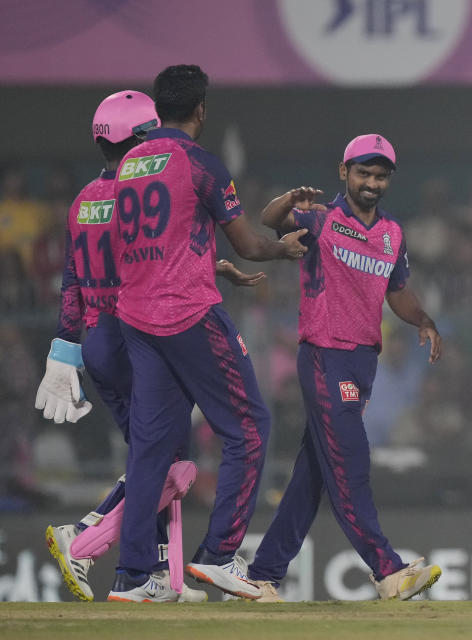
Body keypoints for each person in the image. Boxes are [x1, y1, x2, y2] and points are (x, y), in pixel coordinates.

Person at [37, 90, 266, 602]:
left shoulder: (83, 200)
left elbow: (74, 278)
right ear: (145, 133)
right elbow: (148, 266)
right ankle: (89, 538)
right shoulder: (141, 185)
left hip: (99, 341)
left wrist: (64, 347)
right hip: (140, 329)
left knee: (156, 457)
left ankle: (150, 572)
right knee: (168, 462)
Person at [105, 65, 308, 603]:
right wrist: (284, 248)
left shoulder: (128, 164)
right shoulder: (202, 165)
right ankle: (218, 556)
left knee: (150, 449)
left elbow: (153, 241)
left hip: (137, 318)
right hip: (188, 314)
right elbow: (247, 243)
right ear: (200, 110)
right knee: (250, 427)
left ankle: (136, 577)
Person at [246, 133, 442, 602]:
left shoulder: (392, 233)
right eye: (363, 173)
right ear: (344, 172)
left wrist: (423, 320)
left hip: (363, 361)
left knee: (313, 475)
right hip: (323, 354)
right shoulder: (320, 218)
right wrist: (286, 201)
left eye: (380, 176)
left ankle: (263, 576)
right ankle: (387, 570)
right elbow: (270, 220)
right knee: (351, 461)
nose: (372, 183)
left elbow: (397, 290)